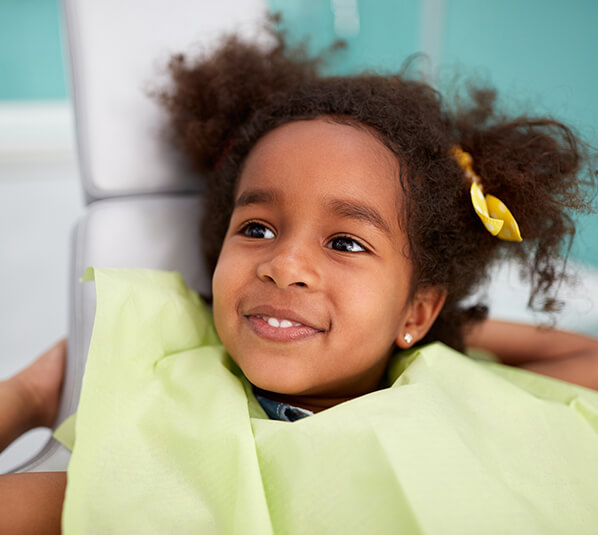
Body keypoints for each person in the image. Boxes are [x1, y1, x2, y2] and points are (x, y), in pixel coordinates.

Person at [2, 21, 598, 534]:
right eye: (257, 229)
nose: (282, 264)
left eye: (345, 242)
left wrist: (446, 332)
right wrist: (30, 396)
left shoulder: (454, 394)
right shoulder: (166, 424)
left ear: (418, 310)